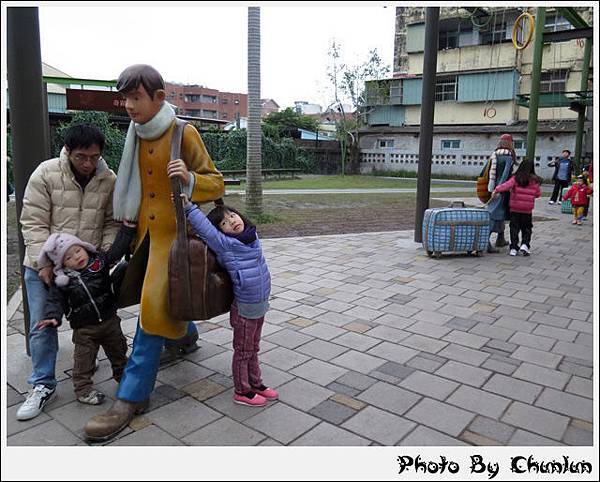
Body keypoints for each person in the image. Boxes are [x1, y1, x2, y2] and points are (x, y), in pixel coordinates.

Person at [84, 64, 224, 442]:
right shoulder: (134, 133)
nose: (128, 105)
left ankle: (130, 397)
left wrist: (191, 179)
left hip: (174, 239)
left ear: (159, 98)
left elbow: (216, 183)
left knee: (150, 312)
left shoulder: (184, 132)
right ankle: (185, 337)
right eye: (124, 97)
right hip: (142, 238)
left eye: (135, 97)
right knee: (161, 302)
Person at [17, 124, 119, 421]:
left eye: (94, 157)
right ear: (67, 151)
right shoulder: (46, 173)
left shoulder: (107, 178)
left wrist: (104, 254)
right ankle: (42, 384)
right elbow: (33, 223)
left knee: (88, 322)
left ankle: (84, 368)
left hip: (86, 269)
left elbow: (111, 221)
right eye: (81, 157)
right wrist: (43, 263)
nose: (88, 164)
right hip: (44, 267)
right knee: (44, 324)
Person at [182, 197, 277, 406]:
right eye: (224, 222)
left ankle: (256, 382)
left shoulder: (251, 236)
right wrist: (190, 208)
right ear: (221, 231)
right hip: (244, 308)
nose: (232, 221)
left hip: (260, 304)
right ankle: (242, 391)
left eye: (232, 215)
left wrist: (221, 205)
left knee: (254, 347)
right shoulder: (226, 245)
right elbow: (206, 230)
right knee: (243, 351)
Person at [36, 225, 136, 405]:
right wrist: (52, 316)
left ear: (84, 248)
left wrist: (127, 230)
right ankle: (83, 390)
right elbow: (54, 301)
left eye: (77, 251)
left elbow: (117, 250)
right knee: (84, 361)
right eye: (69, 257)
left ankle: (124, 379)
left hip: (109, 320)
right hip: (84, 329)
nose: (76, 257)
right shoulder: (62, 282)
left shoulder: (99, 262)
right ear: (62, 264)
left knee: (119, 352)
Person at [492, 159, 542, 257]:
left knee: (514, 228)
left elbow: (506, 186)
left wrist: (496, 190)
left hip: (515, 208)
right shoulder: (535, 180)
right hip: (527, 209)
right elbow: (537, 194)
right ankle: (525, 245)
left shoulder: (516, 178)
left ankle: (514, 248)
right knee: (527, 228)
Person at [485, 134, 516, 253]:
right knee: (494, 213)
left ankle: (500, 238)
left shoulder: (494, 154)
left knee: (501, 213)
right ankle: (486, 242)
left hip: (492, 185)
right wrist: (500, 188)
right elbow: (505, 174)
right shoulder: (508, 156)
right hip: (501, 189)